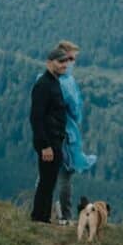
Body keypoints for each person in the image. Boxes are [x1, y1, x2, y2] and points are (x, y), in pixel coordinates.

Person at [56, 40, 97, 226]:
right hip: (66, 134)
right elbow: (74, 108)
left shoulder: (48, 78)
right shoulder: (65, 82)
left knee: (47, 173)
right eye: (71, 58)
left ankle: (41, 210)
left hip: (58, 132)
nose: (73, 62)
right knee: (65, 174)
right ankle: (65, 215)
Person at [30, 48, 72, 223]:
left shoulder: (55, 82)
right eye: (60, 61)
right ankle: (39, 218)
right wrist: (44, 145)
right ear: (49, 62)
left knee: (49, 181)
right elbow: (36, 117)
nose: (64, 65)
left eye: (66, 62)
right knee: (46, 182)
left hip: (56, 140)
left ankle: (43, 217)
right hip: (49, 142)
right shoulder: (43, 85)